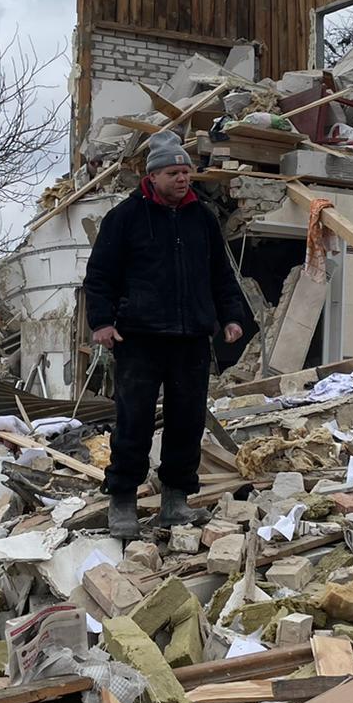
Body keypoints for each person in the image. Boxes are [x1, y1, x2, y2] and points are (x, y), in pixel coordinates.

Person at [83, 129, 248, 539]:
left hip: (191, 337)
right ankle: (123, 502)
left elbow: (221, 275)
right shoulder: (125, 218)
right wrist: (102, 322)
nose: (182, 179)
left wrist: (230, 316)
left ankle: (176, 501)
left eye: (186, 171)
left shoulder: (202, 219)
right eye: (174, 172)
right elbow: (99, 276)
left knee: (186, 422)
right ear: (152, 176)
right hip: (139, 338)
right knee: (134, 421)